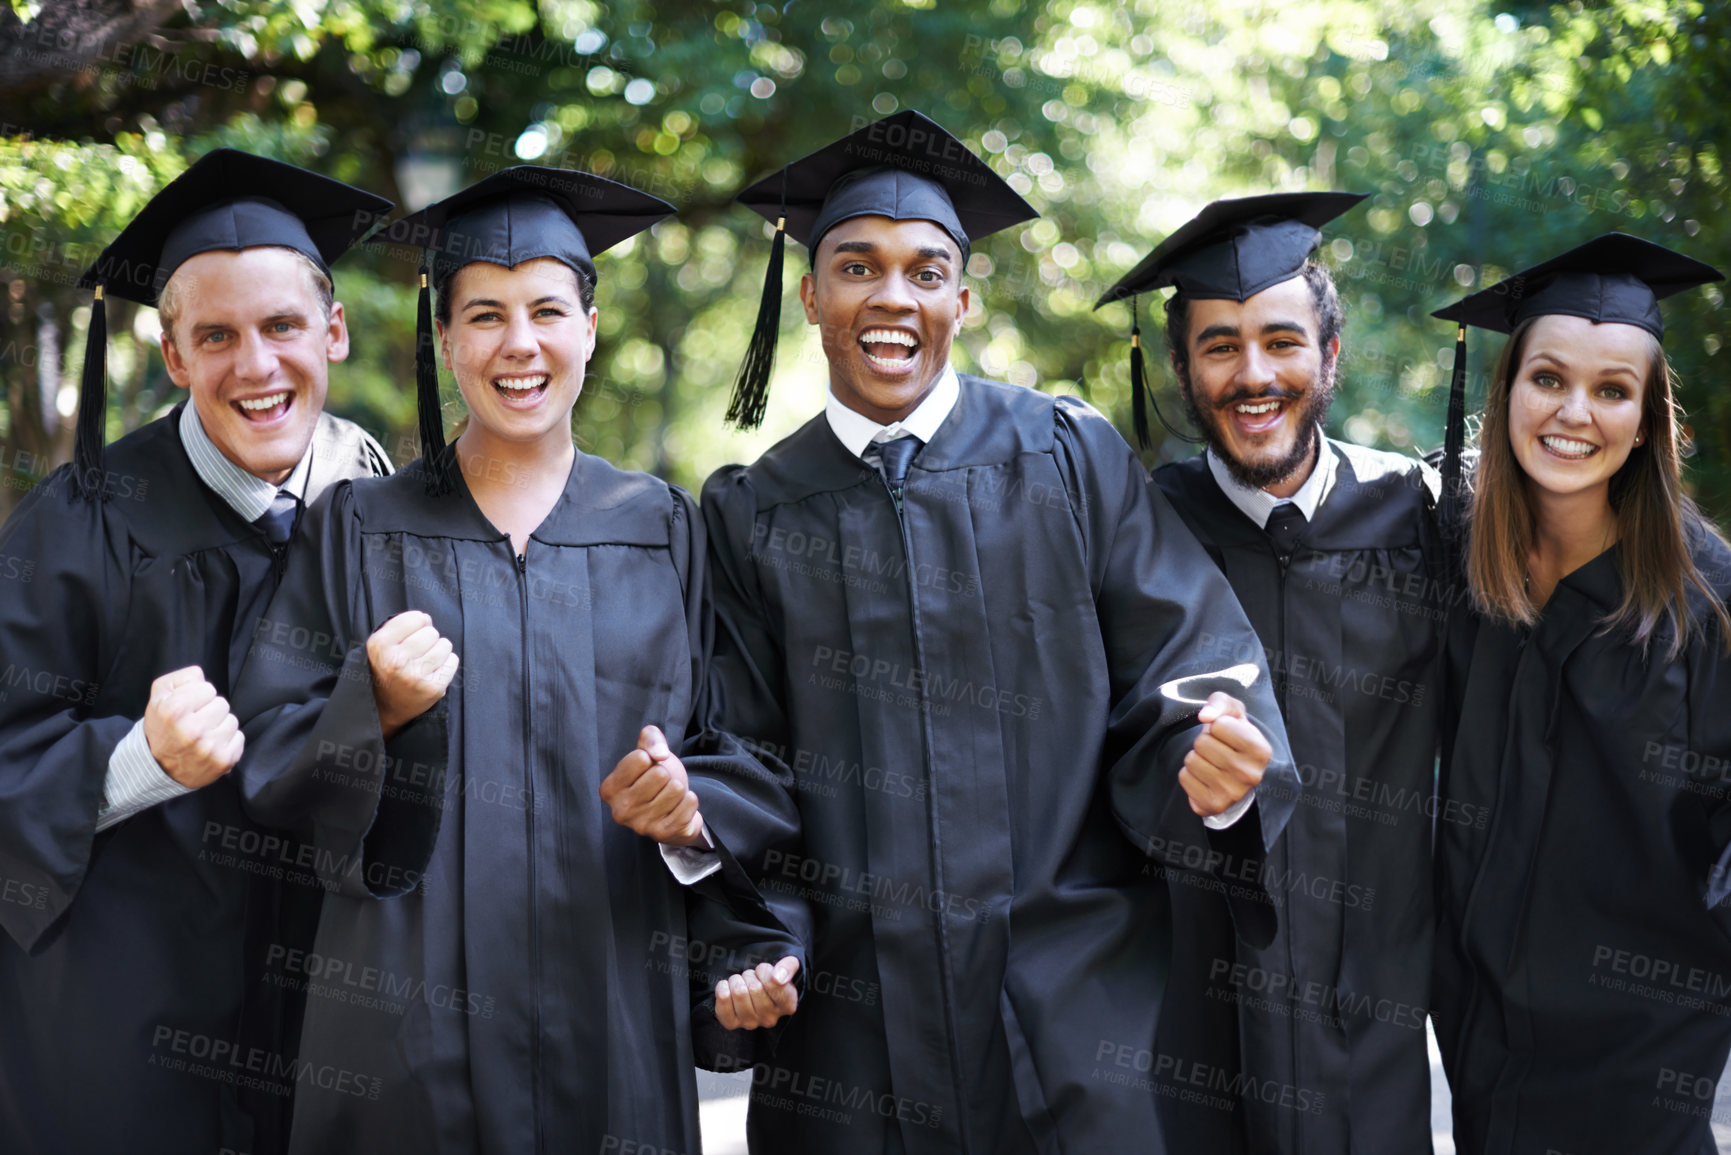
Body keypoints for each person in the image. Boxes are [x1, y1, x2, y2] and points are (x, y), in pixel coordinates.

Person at [607, 109, 1299, 1153]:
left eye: (926, 272)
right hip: (856, 1027)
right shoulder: (752, 510)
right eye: (857, 267)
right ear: (809, 294)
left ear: (963, 301)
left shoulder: (1065, 457)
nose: (893, 297)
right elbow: (744, 749)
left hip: (1073, 1005)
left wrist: (1213, 760)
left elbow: (1186, 664)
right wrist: (696, 807)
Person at [231, 165, 802, 1155]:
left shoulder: (662, 528)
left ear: (590, 325)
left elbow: (742, 748)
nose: (520, 344)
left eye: (547, 309)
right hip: (404, 1035)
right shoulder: (359, 527)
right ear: (444, 338)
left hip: (610, 1007)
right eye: (485, 315)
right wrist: (373, 705)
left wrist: (688, 806)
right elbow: (269, 752)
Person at [0, 148, 393, 1155]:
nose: (255, 367)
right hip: (122, 1021)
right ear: (172, 358)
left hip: (330, 1007)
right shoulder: (79, 524)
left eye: (281, 327)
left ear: (334, 331)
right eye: (215, 336)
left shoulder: (387, 502)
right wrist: (137, 762)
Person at [1097, 193, 1447, 1154]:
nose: (1253, 374)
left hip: (1368, 1010)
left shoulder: (1423, 517)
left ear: (1328, 356)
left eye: (1281, 342)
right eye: (1219, 345)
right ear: (1181, 368)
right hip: (1189, 1013)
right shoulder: (1133, 533)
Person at [1430, 232, 1731, 1153]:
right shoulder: (1455, 563)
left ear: (1644, 421)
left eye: (1611, 390)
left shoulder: (1707, 598)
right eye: (1547, 378)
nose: (1573, 412)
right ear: (1506, 393)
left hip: (1637, 1073)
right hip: (1480, 1053)